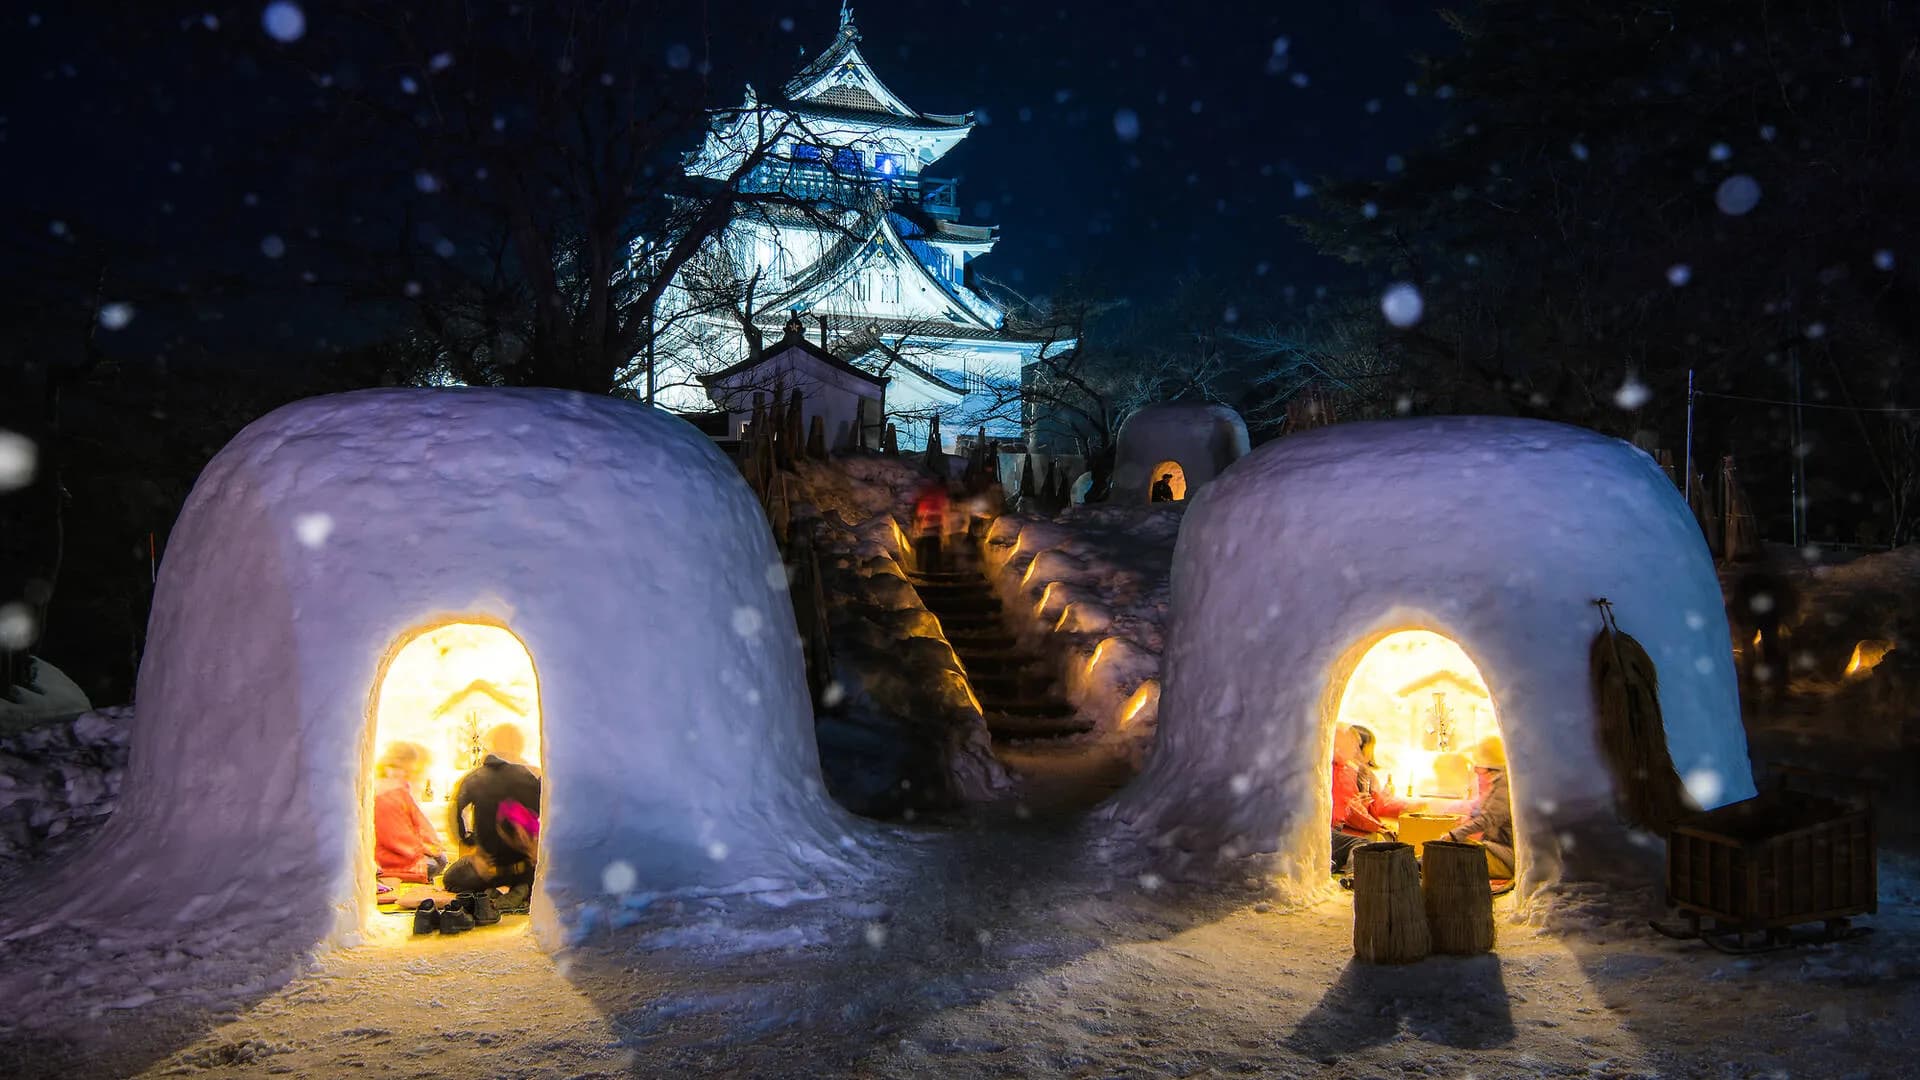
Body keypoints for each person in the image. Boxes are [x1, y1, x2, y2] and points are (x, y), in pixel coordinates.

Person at [443, 725, 543, 910]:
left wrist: (468, 842)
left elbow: (456, 813)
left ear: (491, 746)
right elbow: (546, 814)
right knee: (541, 875)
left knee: (450, 878)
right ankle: (523, 888)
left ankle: (488, 892)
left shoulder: (474, 778)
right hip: (527, 866)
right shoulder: (533, 774)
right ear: (520, 746)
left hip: (487, 868)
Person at [1330, 723, 1420, 873]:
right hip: (1344, 829)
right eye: (1353, 744)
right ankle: (1356, 876)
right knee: (1366, 845)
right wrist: (1378, 826)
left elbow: (1363, 806)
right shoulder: (1340, 773)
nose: (1355, 749)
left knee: (1383, 844)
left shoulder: (1351, 772)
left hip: (1349, 826)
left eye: (1357, 745)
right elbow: (1347, 811)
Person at [372, 741, 447, 884]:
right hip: (390, 855)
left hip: (408, 848)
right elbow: (395, 837)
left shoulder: (400, 789)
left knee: (441, 859)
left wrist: (431, 845)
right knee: (433, 865)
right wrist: (423, 848)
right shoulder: (385, 792)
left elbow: (419, 823)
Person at [1443, 735, 1515, 879]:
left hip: (1506, 856)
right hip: (1498, 850)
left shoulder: (1504, 783)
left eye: (1478, 770)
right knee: (1448, 851)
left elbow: (1488, 819)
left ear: (1489, 767)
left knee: (1449, 859)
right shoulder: (1498, 783)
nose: (1477, 775)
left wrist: (1455, 834)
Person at [912, 479, 949, 573]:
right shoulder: (939, 498)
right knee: (935, 550)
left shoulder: (924, 500)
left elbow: (919, 515)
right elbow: (943, 513)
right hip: (935, 529)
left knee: (928, 550)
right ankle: (936, 569)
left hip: (926, 529)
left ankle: (928, 569)